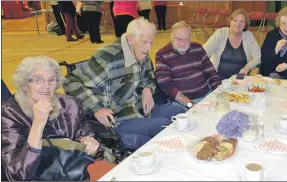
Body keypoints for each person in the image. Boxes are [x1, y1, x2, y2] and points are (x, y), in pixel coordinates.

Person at [63, 18, 185, 150]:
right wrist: (96, 108)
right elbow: (70, 82)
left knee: (179, 112)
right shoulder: (108, 57)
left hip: (139, 108)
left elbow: (149, 74)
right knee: (164, 126)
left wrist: (147, 88)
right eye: (145, 42)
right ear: (130, 39)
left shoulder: (141, 53)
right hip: (119, 118)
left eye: (151, 43)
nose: (149, 48)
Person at [1, 56, 100, 181]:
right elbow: (16, 174)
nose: (47, 86)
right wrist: (37, 124)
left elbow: (88, 139)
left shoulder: (70, 105)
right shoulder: (7, 113)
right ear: (25, 84)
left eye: (52, 80)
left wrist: (90, 144)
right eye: (38, 80)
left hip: (70, 174)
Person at [155, 21, 222, 110]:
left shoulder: (197, 48)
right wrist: (189, 104)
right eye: (179, 39)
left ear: (190, 38)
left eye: (186, 39)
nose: (183, 44)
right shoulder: (162, 55)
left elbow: (211, 73)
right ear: (171, 38)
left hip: (206, 96)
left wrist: (220, 92)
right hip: (181, 103)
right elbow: (167, 86)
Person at [203, 8, 261, 79]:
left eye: (242, 21)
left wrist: (247, 68)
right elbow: (203, 53)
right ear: (230, 21)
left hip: (240, 79)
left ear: (246, 24)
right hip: (218, 78)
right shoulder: (220, 33)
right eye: (235, 20)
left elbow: (258, 57)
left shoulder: (248, 36)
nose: (238, 24)